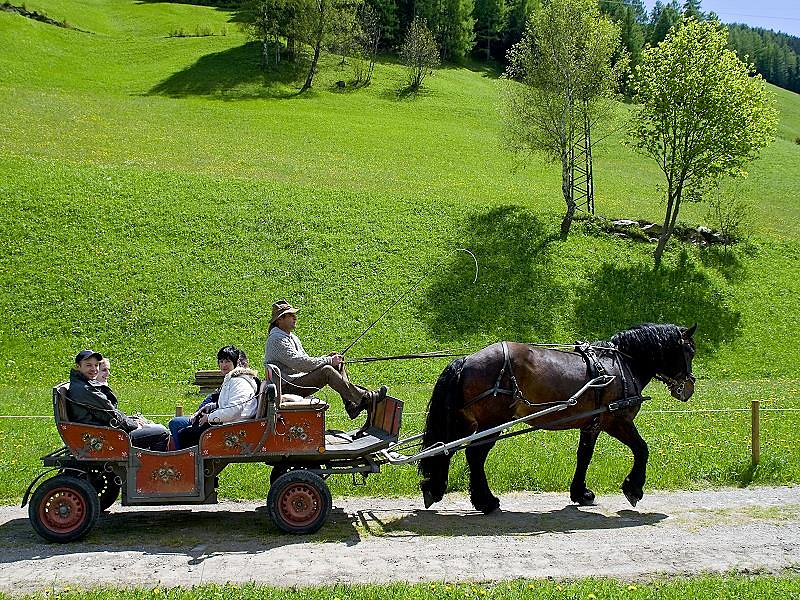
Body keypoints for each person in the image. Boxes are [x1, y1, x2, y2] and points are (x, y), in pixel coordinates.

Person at [263, 299, 386, 419]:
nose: (295, 317)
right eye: (290, 315)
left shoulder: (291, 337)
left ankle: (352, 406)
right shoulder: (276, 340)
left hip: (295, 382)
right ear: (279, 320)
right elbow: (301, 364)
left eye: (294, 314)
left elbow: (305, 360)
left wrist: (328, 358)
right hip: (285, 388)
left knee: (334, 361)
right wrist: (328, 360)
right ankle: (364, 398)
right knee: (326, 371)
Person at [68, 349, 170, 451]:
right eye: (88, 365)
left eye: (96, 365)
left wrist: (131, 420)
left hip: (99, 432)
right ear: (78, 366)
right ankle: (150, 461)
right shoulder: (85, 389)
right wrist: (135, 425)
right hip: (104, 437)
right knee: (162, 433)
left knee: (150, 428)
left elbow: (108, 413)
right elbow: (111, 414)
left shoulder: (81, 384)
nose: (94, 369)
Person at [175, 346, 259, 449]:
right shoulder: (232, 379)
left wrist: (209, 417)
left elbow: (234, 410)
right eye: (221, 361)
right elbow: (227, 404)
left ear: (236, 362)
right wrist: (210, 407)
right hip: (230, 424)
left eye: (227, 361)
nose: (224, 365)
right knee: (184, 431)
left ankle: (183, 458)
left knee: (184, 434)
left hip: (234, 428)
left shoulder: (239, 382)